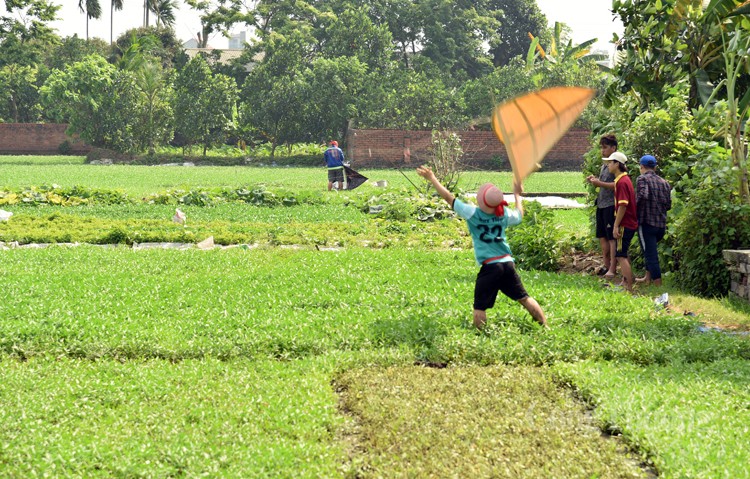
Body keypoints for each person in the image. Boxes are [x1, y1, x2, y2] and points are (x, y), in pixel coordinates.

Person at [415, 165, 548, 330]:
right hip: (507, 263)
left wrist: (432, 178)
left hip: (490, 266)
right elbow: (519, 214)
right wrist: (517, 194)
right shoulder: (503, 214)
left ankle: (480, 335)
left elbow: (449, 198)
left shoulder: (473, 214)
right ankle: (545, 327)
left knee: (480, 306)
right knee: (524, 297)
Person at [635, 155, 672, 286]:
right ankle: (647, 277)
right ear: (655, 167)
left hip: (646, 223)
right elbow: (668, 205)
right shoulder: (664, 182)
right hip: (660, 225)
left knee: (650, 254)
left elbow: (642, 196)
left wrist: (634, 209)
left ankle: (658, 284)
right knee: (650, 250)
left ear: (642, 167)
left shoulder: (642, 179)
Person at [605, 151, 638, 291]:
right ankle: (626, 282)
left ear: (617, 164)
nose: (607, 165)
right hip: (628, 223)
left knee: (621, 255)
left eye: (610, 162)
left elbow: (623, 205)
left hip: (625, 223)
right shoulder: (622, 180)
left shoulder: (622, 182)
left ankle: (628, 287)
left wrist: (616, 225)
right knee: (622, 253)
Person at [586, 134, 618, 278]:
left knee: (611, 238)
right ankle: (606, 266)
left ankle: (613, 268)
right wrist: (595, 180)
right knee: (602, 236)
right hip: (601, 205)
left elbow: (619, 185)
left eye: (605, 147)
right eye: (601, 148)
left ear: (613, 148)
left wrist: (600, 184)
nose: (602, 151)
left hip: (611, 205)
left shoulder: (618, 164)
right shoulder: (605, 165)